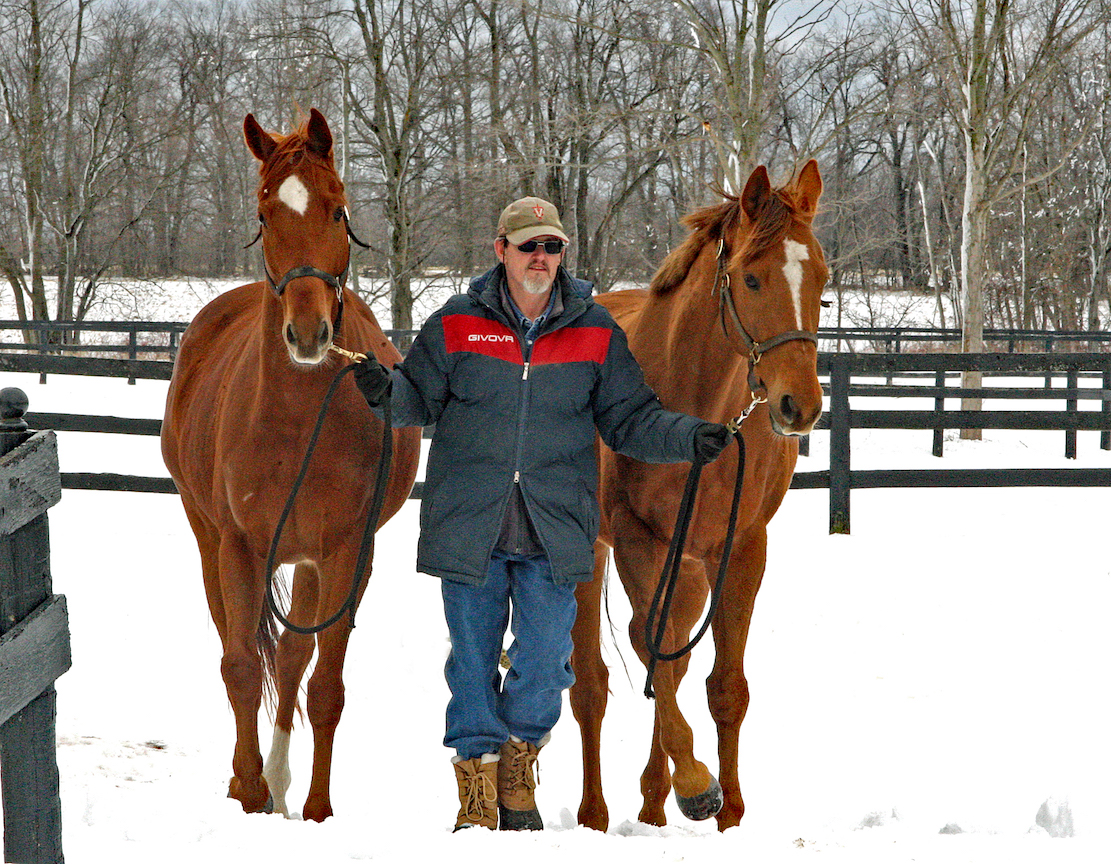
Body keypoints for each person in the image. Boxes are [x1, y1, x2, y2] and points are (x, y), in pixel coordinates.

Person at [352, 196, 730, 832]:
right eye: (528, 246)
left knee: (549, 660)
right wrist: (385, 395)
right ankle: (478, 784)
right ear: (500, 250)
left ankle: (519, 762)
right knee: (471, 660)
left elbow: (630, 419)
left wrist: (687, 437)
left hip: (555, 526)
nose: (541, 257)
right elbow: (415, 400)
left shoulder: (595, 331)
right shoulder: (457, 324)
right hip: (471, 523)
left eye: (552, 246)